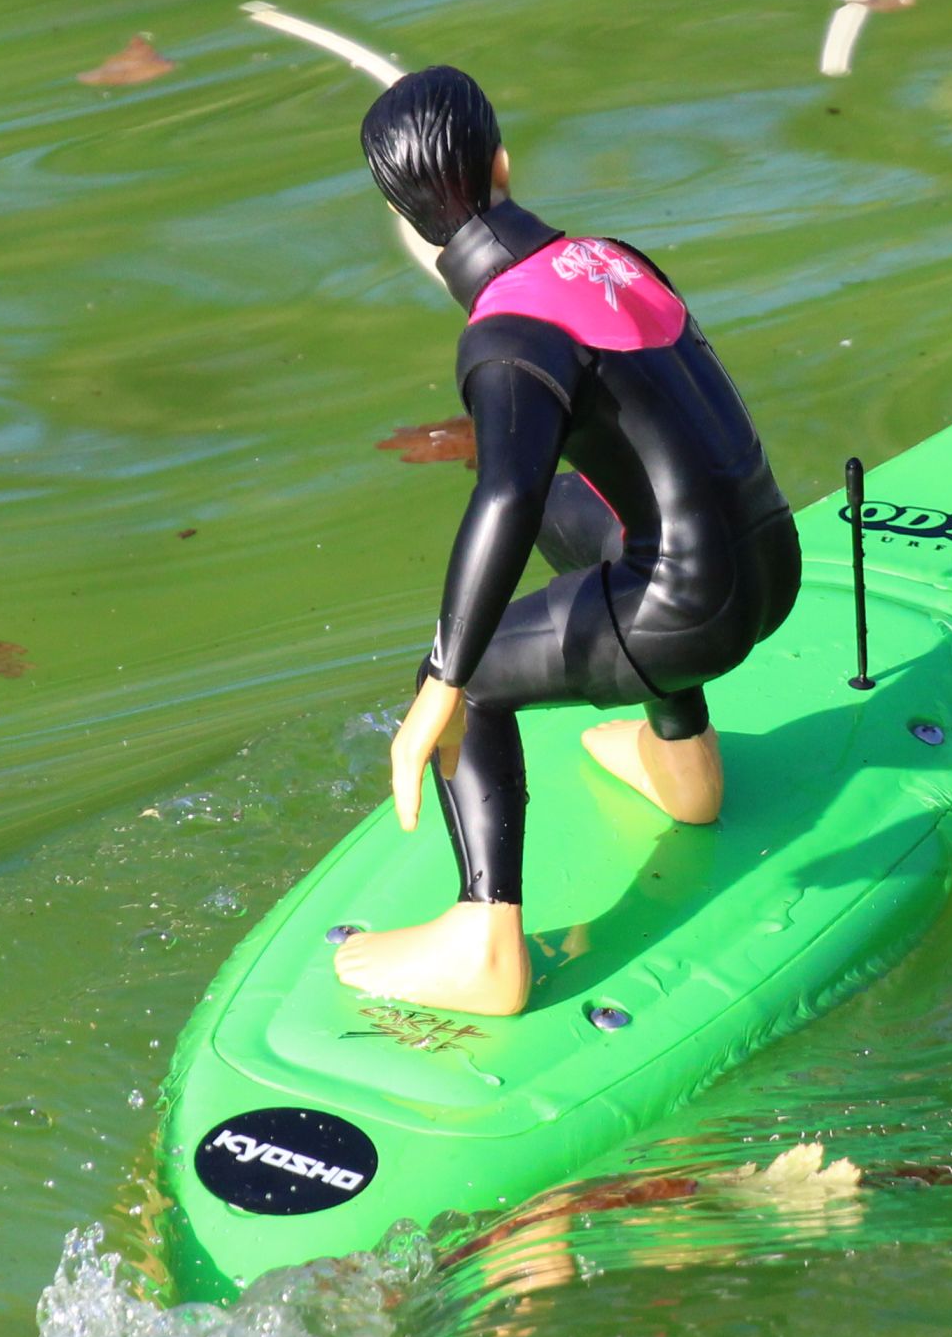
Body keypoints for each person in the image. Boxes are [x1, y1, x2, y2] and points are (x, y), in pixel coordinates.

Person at [336, 66, 801, 1015]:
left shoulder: (506, 335)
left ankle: (483, 941)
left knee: (466, 669)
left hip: (692, 613)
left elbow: (501, 498)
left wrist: (441, 685)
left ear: (402, 216)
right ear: (504, 162)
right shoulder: (611, 258)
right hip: (770, 559)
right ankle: (685, 765)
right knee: (568, 505)